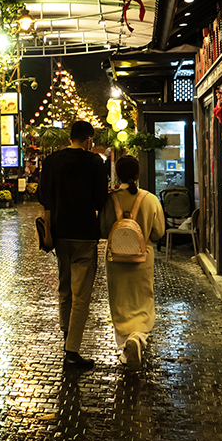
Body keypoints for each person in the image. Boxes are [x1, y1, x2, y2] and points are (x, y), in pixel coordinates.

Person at [37, 120, 108, 370]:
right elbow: (100, 199)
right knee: (82, 294)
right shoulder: (94, 162)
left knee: (64, 286)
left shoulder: (51, 162)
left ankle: (67, 332)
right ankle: (72, 350)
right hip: (85, 233)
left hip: (58, 233)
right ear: (89, 139)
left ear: (70, 137)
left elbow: (42, 196)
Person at [102, 154, 165, 370]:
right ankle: (138, 337)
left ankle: (126, 343)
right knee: (142, 299)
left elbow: (102, 229)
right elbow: (158, 232)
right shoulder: (150, 199)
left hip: (115, 259)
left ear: (117, 174)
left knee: (120, 301)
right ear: (138, 174)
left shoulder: (110, 199)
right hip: (142, 258)